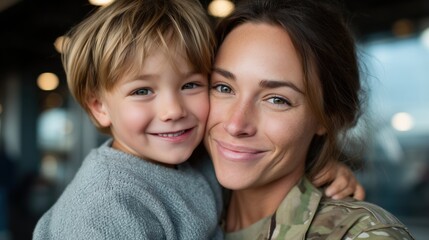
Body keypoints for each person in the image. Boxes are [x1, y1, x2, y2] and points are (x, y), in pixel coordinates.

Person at [33, 0, 364, 239]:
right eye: (142, 91)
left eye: (191, 85)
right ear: (99, 107)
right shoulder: (103, 211)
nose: (173, 110)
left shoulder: (195, 162)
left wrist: (321, 168)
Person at [204, 0, 415, 239]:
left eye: (277, 100)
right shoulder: (180, 199)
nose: (235, 125)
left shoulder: (358, 234)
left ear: (326, 117)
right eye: (223, 87)